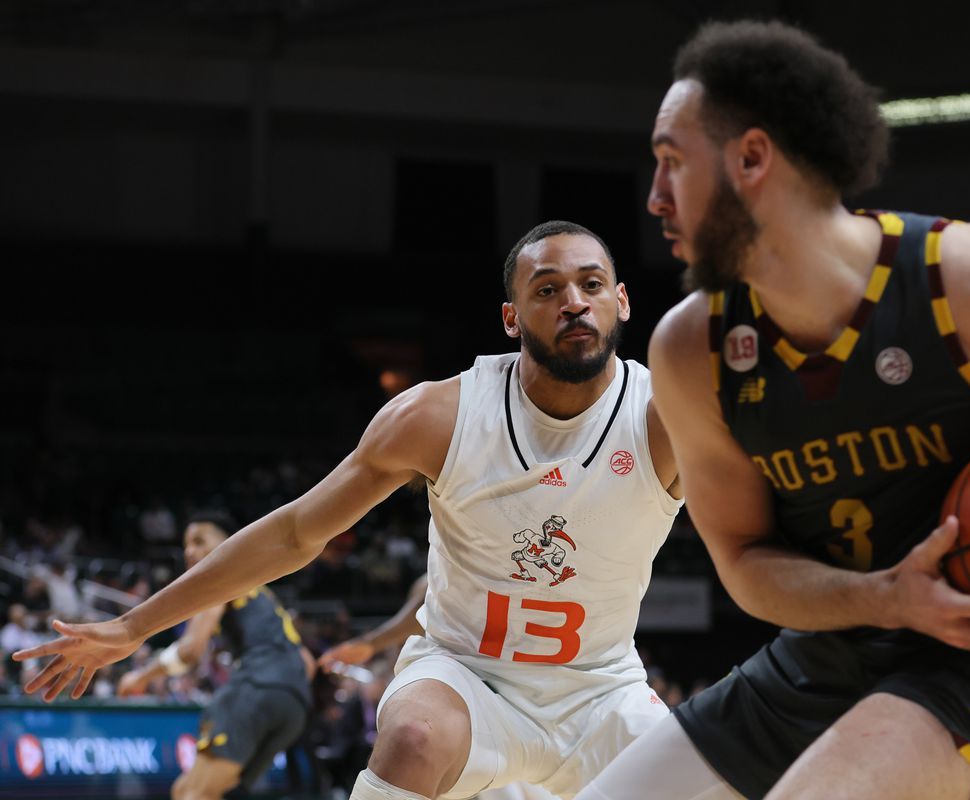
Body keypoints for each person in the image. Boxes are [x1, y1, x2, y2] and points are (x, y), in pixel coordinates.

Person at [576, 20, 970, 800]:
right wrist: (886, 597)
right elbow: (744, 564)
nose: (656, 196)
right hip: (826, 655)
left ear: (752, 159)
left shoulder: (961, 280)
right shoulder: (691, 350)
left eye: (671, 163)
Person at [16, 219, 682, 800]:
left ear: (621, 301)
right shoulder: (438, 416)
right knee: (414, 738)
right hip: (466, 679)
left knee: (700, 774)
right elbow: (298, 531)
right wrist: (135, 626)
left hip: (600, 688)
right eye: (547, 289)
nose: (573, 302)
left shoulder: (669, 420)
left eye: (592, 285)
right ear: (511, 317)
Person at [116, 511, 313, 800]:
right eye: (186, 545)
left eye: (199, 541)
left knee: (194, 794)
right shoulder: (263, 590)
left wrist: (140, 676)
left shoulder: (221, 574)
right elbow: (308, 663)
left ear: (229, 543)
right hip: (295, 707)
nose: (189, 551)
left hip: (257, 687)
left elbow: (190, 651)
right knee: (194, 790)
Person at [317, 573, 559, 800]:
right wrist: (372, 645)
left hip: (498, 703)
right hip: (511, 708)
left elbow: (423, 598)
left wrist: (372, 644)